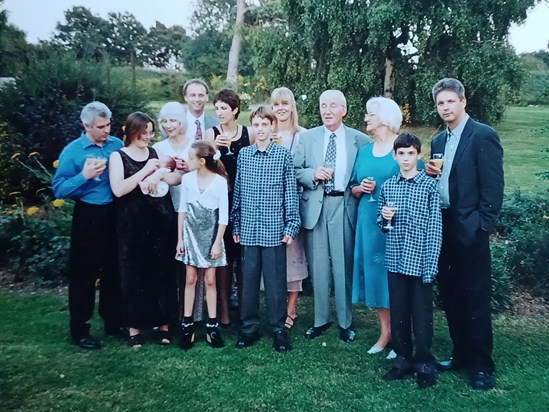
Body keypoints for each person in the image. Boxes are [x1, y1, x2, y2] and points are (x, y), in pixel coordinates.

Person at [426, 78, 504, 390]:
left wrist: (482, 225)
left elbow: (493, 187)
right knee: (451, 295)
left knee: (475, 297)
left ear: (462, 102)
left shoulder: (482, 135)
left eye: (449, 102)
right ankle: (460, 354)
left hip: (470, 231)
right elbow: (441, 183)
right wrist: (432, 176)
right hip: (443, 228)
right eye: (440, 103)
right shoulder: (437, 141)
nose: (445, 108)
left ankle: (482, 365)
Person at [294, 90, 369, 342]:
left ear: (344, 110)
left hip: (345, 204)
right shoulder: (308, 137)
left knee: (343, 264)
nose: (327, 111)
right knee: (319, 266)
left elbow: (363, 173)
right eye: (323, 106)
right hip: (316, 204)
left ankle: (345, 321)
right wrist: (313, 174)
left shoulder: (359, 139)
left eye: (333, 106)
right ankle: (320, 320)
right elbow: (294, 170)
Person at [52, 101, 123, 350]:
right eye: (101, 126)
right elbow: (58, 189)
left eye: (109, 124)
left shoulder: (116, 145)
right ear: (86, 126)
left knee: (114, 270)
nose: (107, 130)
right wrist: (84, 176)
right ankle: (80, 330)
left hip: (114, 213)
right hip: (88, 215)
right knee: (84, 274)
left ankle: (114, 321)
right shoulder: (73, 151)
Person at [231, 106, 300, 352]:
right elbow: (238, 191)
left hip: (273, 230)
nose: (260, 129)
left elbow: (289, 193)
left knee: (275, 283)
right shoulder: (245, 155)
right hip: (249, 228)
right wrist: (236, 222)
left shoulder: (282, 156)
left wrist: (291, 225)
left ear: (272, 127)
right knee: (248, 282)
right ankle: (249, 328)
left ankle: (279, 329)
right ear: (252, 127)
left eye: (265, 124)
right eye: (256, 125)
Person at [109, 112, 181, 349]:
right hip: (132, 225)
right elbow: (119, 189)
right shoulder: (118, 157)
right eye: (144, 133)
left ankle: (164, 325)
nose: (148, 137)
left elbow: (176, 177)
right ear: (131, 132)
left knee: (162, 272)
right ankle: (134, 328)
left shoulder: (155, 153)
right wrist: (146, 171)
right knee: (133, 274)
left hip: (159, 222)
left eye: (151, 132)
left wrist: (161, 173)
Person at [377, 133, 442, 389]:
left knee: (421, 315)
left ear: (418, 155)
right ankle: (402, 360)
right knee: (400, 313)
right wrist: (385, 218)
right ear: (395, 156)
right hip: (395, 259)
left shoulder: (428, 186)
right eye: (401, 154)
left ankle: (424, 364)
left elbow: (435, 228)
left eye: (411, 153)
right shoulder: (389, 186)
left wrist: (431, 264)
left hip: (420, 260)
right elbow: (383, 227)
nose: (405, 159)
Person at [351, 97, 407, 356]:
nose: (366, 118)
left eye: (370, 114)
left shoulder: (403, 148)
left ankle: (401, 334)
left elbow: (414, 183)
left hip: (395, 225)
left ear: (384, 117)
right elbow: (352, 187)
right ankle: (385, 332)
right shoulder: (363, 151)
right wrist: (360, 189)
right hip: (368, 221)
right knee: (373, 277)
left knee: (393, 278)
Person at [153, 102, 207, 325]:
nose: (169, 125)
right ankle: (167, 314)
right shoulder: (157, 147)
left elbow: (206, 175)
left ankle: (192, 315)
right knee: (167, 264)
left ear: (182, 121)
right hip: (165, 210)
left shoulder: (193, 146)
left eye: (173, 120)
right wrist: (167, 174)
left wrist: (189, 169)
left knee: (192, 265)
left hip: (192, 210)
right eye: (164, 121)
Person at [205, 89, 254, 326]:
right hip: (220, 203)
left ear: (235, 110)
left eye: (224, 108)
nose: (220, 113)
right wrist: (214, 148)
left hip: (243, 203)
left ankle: (245, 309)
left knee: (243, 259)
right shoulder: (211, 133)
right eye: (217, 108)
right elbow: (204, 167)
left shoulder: (248, 133)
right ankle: (224, 310)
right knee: (223, 258)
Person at [176, 141, 229, 350]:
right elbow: (182, 210)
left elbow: (223, 217)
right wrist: (180, 239)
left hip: (211, 235)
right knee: (190, 278)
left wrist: (217, 243)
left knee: (209, 280)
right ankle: (187, 325)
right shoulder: (187, 180)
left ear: (201, 161)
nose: (187, 162)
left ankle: (212, 326)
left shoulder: (219, 182)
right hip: (190, 233)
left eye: (190, 158)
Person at [270, 86, 308, 329]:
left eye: (285, 104)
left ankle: (291, 308)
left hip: (294, 202)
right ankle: (276, 305)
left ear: (292, 106)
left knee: (294, 256)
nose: (280, 108)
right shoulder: (263, 132)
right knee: (273, 256)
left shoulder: (302, 135)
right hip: (269, 205)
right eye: (276, 104)